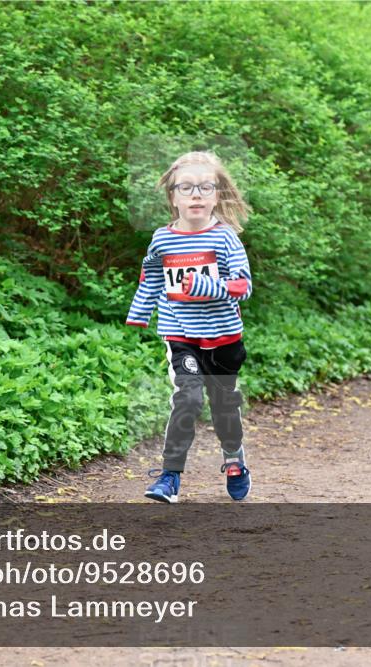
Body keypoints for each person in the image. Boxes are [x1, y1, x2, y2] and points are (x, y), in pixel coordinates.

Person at [125, 151, 253, 503]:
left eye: (205, 187)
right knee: (188, 397)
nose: (195, 194)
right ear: (173, 197)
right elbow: (150, 275)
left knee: (223, 404)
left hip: (224, 338)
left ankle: (234, 461)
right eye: (186, 187)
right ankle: (169, 476)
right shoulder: (162, 238)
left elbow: (243, 287)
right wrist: (140, 310)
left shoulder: (224, 238)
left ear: (217, 196)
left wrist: (205, 287)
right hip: (180, 334)